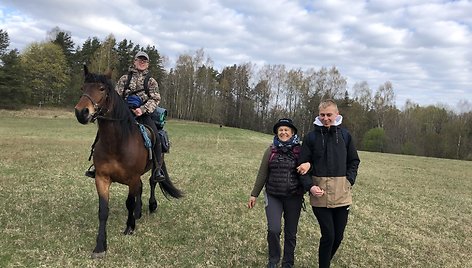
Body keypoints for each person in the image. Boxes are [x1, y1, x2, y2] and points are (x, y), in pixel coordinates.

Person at [297, 99, 360, 268]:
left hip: (342, 195)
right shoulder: (310, 137)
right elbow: (302, 166)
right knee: (328, 236)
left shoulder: (346, 136)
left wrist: (349, 180)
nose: (325, 118)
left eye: (329, 115)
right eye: (322, 115)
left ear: (336, 115)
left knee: (338, 237)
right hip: (320, 196)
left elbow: (354, 161)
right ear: (318, 115)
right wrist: (310, 186)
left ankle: (323, 263)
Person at [85, 51, 164, 179]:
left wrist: (142, 109)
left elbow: (155, 98)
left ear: (148, 64)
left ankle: (158, 169)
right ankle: (96, 165)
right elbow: (116, 96)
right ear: (135, 61)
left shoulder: (151, 81)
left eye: (145, 61)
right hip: (124, 113)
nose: (142, 62)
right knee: (102, 132)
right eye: (140, 60)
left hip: (142, 114)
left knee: (156, 135)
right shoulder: (124, 79)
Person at [248, 118, 304, 268]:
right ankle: (273, 260)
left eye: (286, 130)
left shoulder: (300, 151)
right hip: (273, 195)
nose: (283, 132)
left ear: (292, 133)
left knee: (290, 233)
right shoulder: (271, 150)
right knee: (274, 229)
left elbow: (307, 173)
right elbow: (262, 173)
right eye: (281, 130)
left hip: (294, 197)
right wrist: (254, 194)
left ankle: (288, 263)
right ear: (277, 133)